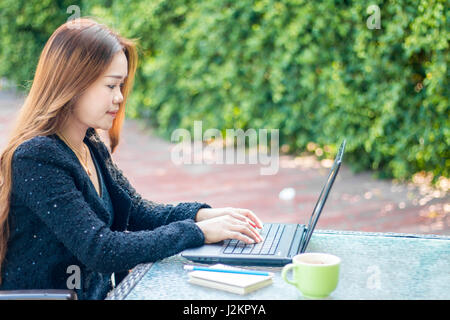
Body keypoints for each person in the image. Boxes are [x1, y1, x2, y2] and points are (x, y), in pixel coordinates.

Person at [0, 17, 263, 300]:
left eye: (121, 86)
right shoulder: (37, 158)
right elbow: (102, 250)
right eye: (111, 86)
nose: (120, 98)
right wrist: (197, 232)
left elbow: (137, 211)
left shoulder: (89, 145)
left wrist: (207, 215)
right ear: (73, 83)